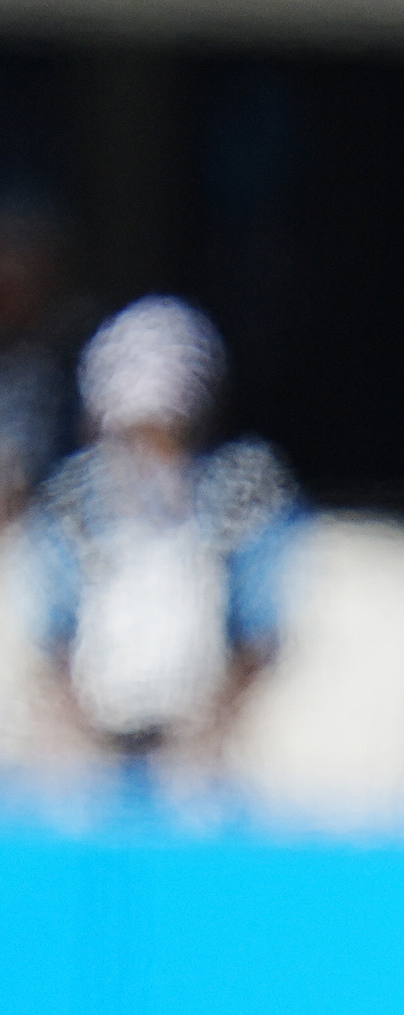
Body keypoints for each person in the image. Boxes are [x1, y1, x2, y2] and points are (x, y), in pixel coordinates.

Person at [29, 295, 300, 784]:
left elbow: (261, 629)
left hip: (203, 744)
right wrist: (83, 747)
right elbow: (53, 632)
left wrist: (206, 737)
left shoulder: (243, 489)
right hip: (93, 744)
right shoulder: (74, 497)